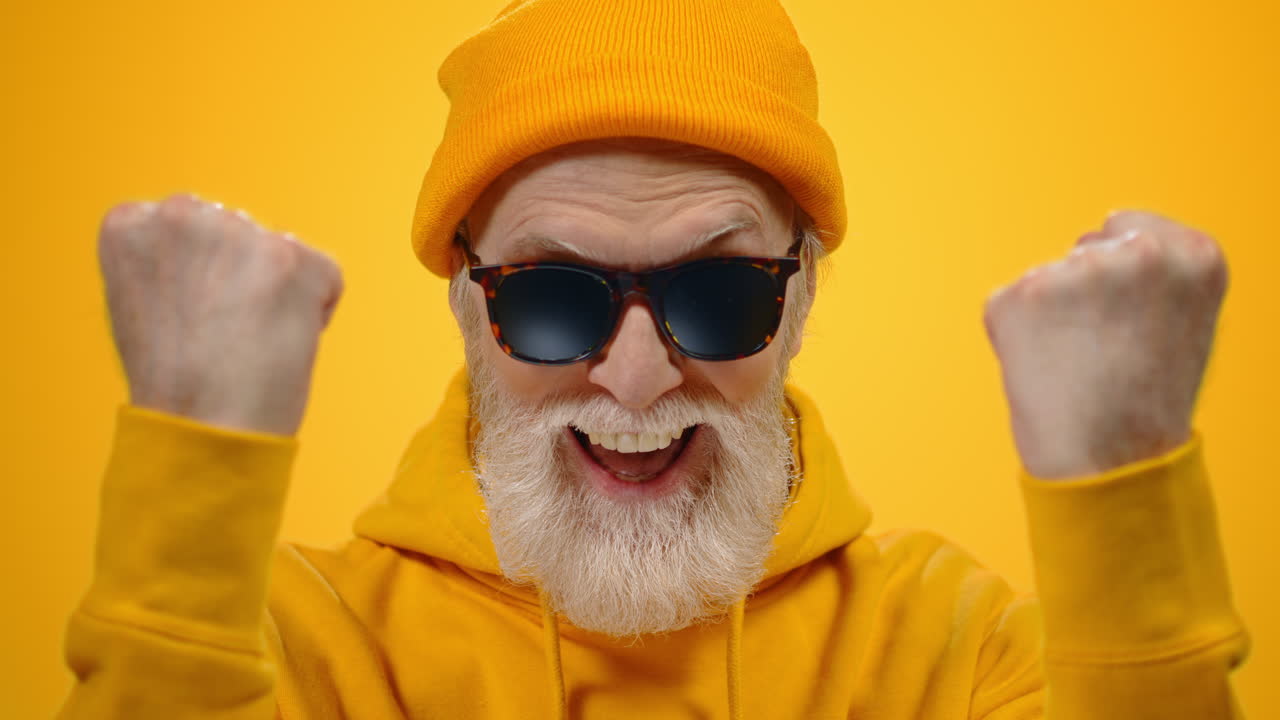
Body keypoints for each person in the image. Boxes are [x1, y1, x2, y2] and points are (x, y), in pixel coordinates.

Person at [60, 0, 1249, 718]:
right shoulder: (281, 644)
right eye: (553, 299)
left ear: (801, 296)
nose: (634, 379)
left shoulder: (953, 651)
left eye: (720, 292)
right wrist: (193, 466)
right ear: (468, 305)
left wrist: (1121, 484)